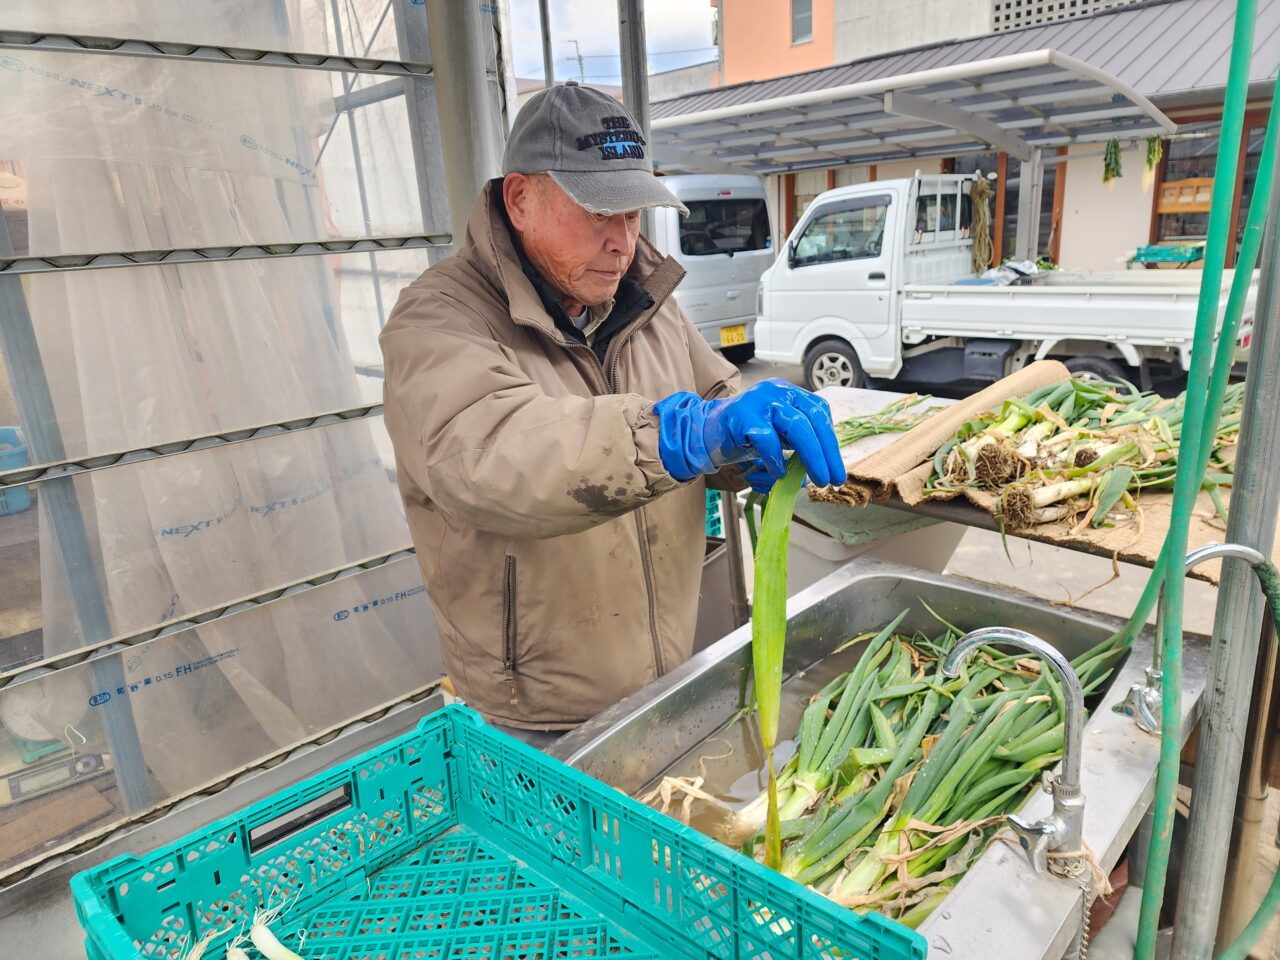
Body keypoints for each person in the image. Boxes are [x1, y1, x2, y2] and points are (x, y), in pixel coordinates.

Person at [379, 82, 845, 744]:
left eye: (633, 215)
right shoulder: (439, 319)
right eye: (600, 213)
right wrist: (677, 439)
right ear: (520, 199)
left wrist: (750, 437)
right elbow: (489, 457)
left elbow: (718, 399)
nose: (622, 242)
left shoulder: (643, 303)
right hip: (535, 719)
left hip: (664, 677)